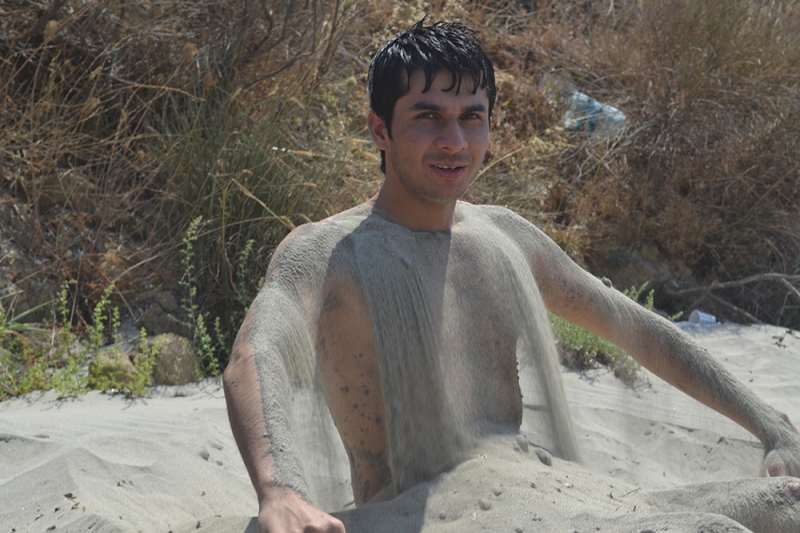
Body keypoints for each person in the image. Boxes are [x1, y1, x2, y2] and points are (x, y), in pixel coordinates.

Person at [222, 20, 800, 533]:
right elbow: (256, 354)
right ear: (379, 129)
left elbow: (633, 327)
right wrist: (280, 491)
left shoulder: (505, 236)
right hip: (420, 510)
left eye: (471, 118)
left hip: (540, 490)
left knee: (787, 504)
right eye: (428, 117)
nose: (454, 141)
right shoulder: (330, 252)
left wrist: (772, 426)